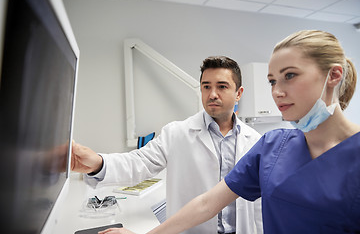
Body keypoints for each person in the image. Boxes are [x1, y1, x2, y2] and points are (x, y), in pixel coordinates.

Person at [101, 30, 360, 234]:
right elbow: (206, 204)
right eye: (272, 81)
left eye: (289, 75)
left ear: (333, 75)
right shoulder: (272, 146)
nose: (277, 91)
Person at [71, 56, 263, 234]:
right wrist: (97, 163)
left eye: (222, 86)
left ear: (238, 93)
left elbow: (259, 206)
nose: (212, 94)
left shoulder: (254, 140)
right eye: (206, 87)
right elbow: (138, 162)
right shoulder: (176, 133)